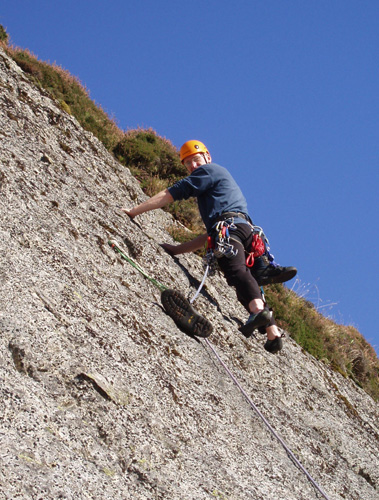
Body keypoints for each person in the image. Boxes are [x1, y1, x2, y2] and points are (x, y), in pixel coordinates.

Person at [122, 140, 296, 353]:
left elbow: (172, 193)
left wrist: (134, 211)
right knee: (248, 281)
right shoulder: (220, 188)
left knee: (236, 272)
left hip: (230, 230)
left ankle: (259, 309)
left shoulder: (208, 171)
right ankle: (273, 333)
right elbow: (208, 237)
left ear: (207, 157)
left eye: (196, 160)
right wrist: (176, 250)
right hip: (246, 231)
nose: (193, 167)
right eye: (188, 164)